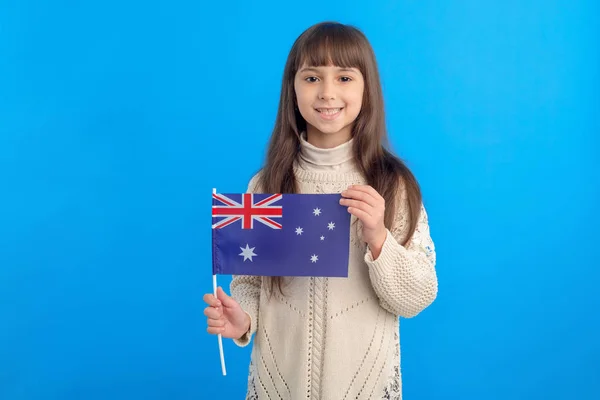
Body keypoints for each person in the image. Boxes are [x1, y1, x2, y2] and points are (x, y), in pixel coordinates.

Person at [203, 21, 438, 400]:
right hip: (278, 385)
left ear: (367, 89)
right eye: (312, 78)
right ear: (292, 88)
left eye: (344, 78)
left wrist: (378, 239)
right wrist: (243, 318)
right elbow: (250, 284)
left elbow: (416, 297)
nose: (327, 93)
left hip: (365, 387)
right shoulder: (266, 185)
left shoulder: (391, 185)